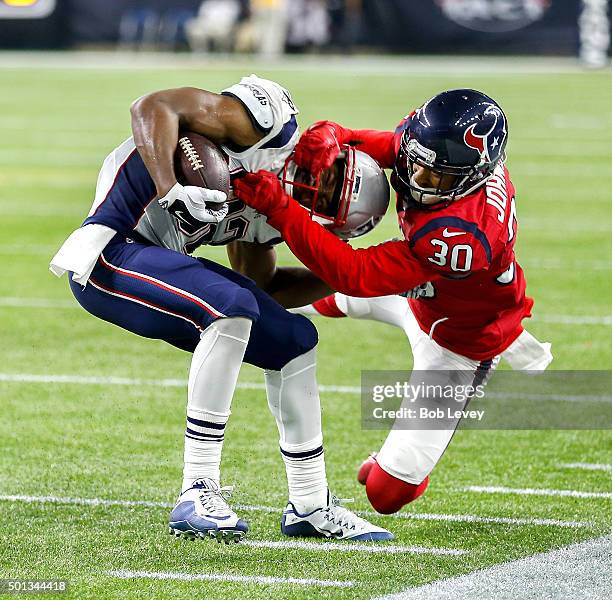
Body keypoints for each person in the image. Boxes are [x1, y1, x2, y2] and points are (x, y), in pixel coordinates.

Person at [49, 75, 392, 542]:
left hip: (157, 261)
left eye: (327, 199)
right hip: (109, 249)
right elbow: (153, 106)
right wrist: (170, 188)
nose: (318, 187)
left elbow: (263, 286)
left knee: (294, 342)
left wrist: (351, 276)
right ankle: (197, 489)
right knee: (231, 308)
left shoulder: (278, 218)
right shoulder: (268, 125)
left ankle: (310, 504)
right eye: (331, 176)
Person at [234, 88, 553, 515]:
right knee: (272, 299)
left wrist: (280, 209)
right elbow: (379, 145)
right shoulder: (442, 155)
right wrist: (331, 135)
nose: (416, 178)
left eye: (433, 177)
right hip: (420, 293)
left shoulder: (465, 235)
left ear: (471, 178)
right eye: (417, 164)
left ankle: (398, 462)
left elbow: (355, 273)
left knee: (383, 493)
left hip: (460, 341)